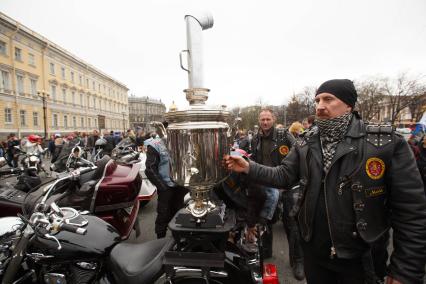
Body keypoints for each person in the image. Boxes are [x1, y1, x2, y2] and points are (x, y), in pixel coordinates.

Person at [225, 79, 426, 284]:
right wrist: (248, 167)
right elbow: (283, 175)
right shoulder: (306, 141)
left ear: (349, 104)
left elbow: (411, 211)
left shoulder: (385, 143)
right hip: (315, 255)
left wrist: (405, 270)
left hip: (361, 258)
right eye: (318, 100)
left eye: (328, 99)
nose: (320, 106)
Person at [250, 109, 301, 275]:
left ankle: (297, 262)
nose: (265, 122)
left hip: (286, 185)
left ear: (274, 119)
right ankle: (266, 251)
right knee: (266, 220)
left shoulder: (284, 135)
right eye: (263, 119)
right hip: (265, 184)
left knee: (291, 224)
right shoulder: (256, 138)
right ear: (259, 120)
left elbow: (299, 153)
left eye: (268, 119)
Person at [144, 131, 188, 239]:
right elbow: (150, 169)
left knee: (181, 213)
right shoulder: (156, 145)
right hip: (166, 186)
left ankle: (179, 239)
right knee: (163, 214)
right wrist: (163, 187)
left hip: (181, 185)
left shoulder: (185, 142)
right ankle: (160, 241)